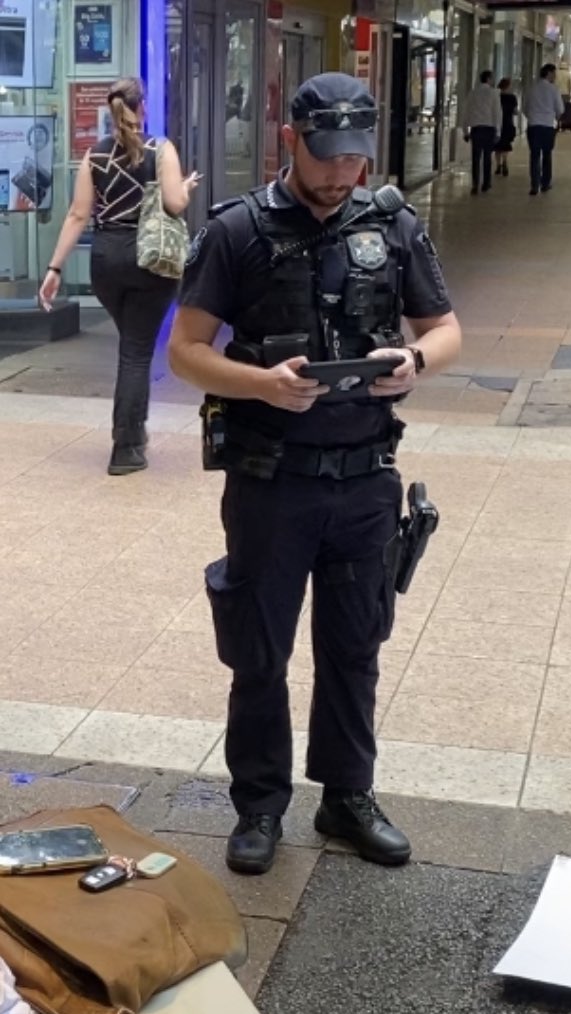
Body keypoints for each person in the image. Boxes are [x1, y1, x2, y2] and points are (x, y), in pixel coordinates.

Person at [167, 73, 462, 876]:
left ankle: (347, 797)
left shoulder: (391, 223)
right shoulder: (237, 231)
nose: (341, 175)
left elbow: (443, 327)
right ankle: (259, 806)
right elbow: (185, 350)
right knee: (258, 652)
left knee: (355, 645)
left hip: (366, 479)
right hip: (272, 481)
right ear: (289, 141)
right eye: (327, 156)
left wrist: (414, 363)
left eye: (355, 159)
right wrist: (264, 383)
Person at [38, 77, 198, 475]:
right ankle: (126, 446)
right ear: (142, 106)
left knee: (132, 344)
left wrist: (54, 268)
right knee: (137, 352)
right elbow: (175, 204)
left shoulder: (93, 156)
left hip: (105, 262)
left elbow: (78, 215)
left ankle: (134, 432)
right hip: (150, 261)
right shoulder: (160, 149)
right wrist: (187, 187)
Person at [523, 63, 565, 196]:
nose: (555, 77)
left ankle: (534, 185)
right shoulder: (553, 90)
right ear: (549, 73)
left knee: (534, 156)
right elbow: (560, 110)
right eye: (554, 74)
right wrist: (557, 118)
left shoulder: (532, 89)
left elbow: (525, 107)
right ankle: (545, 183)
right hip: (547, 126)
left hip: (533, 126)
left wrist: (532, 117)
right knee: (547, 155)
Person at [459, 70, 502, 195]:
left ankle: (475, 184)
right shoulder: (494, 93)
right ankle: (486, 184)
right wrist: (498, 131)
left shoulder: (473, 93)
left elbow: (466, 112)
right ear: (488, 79)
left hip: (476, 129)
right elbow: (497, 113)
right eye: (492, 78)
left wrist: (465, 131)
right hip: (489, 129)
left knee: (476, 158)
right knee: (487, 157)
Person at [494, 78, 518, 178]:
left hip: (497, 123)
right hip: (508, 123)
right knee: (505, 145)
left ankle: (498, 165)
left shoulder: (496, 96)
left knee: (497, 146)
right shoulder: (512, 97)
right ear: (508, 86)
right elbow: (515, 111)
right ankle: (505, 162)